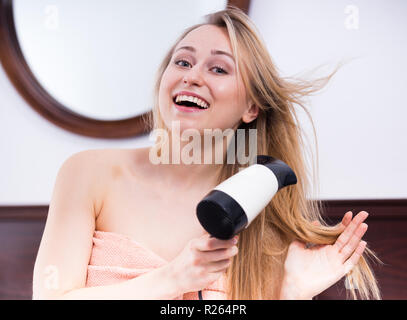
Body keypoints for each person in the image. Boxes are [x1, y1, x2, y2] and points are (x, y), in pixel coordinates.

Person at [32, 6, 381, 300]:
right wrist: (173, 279)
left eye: (218, 69)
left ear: (252, 107)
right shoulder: (89, 173)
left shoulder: (262, 216)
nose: (192, 77)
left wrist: (289, 292)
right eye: (182, 62)